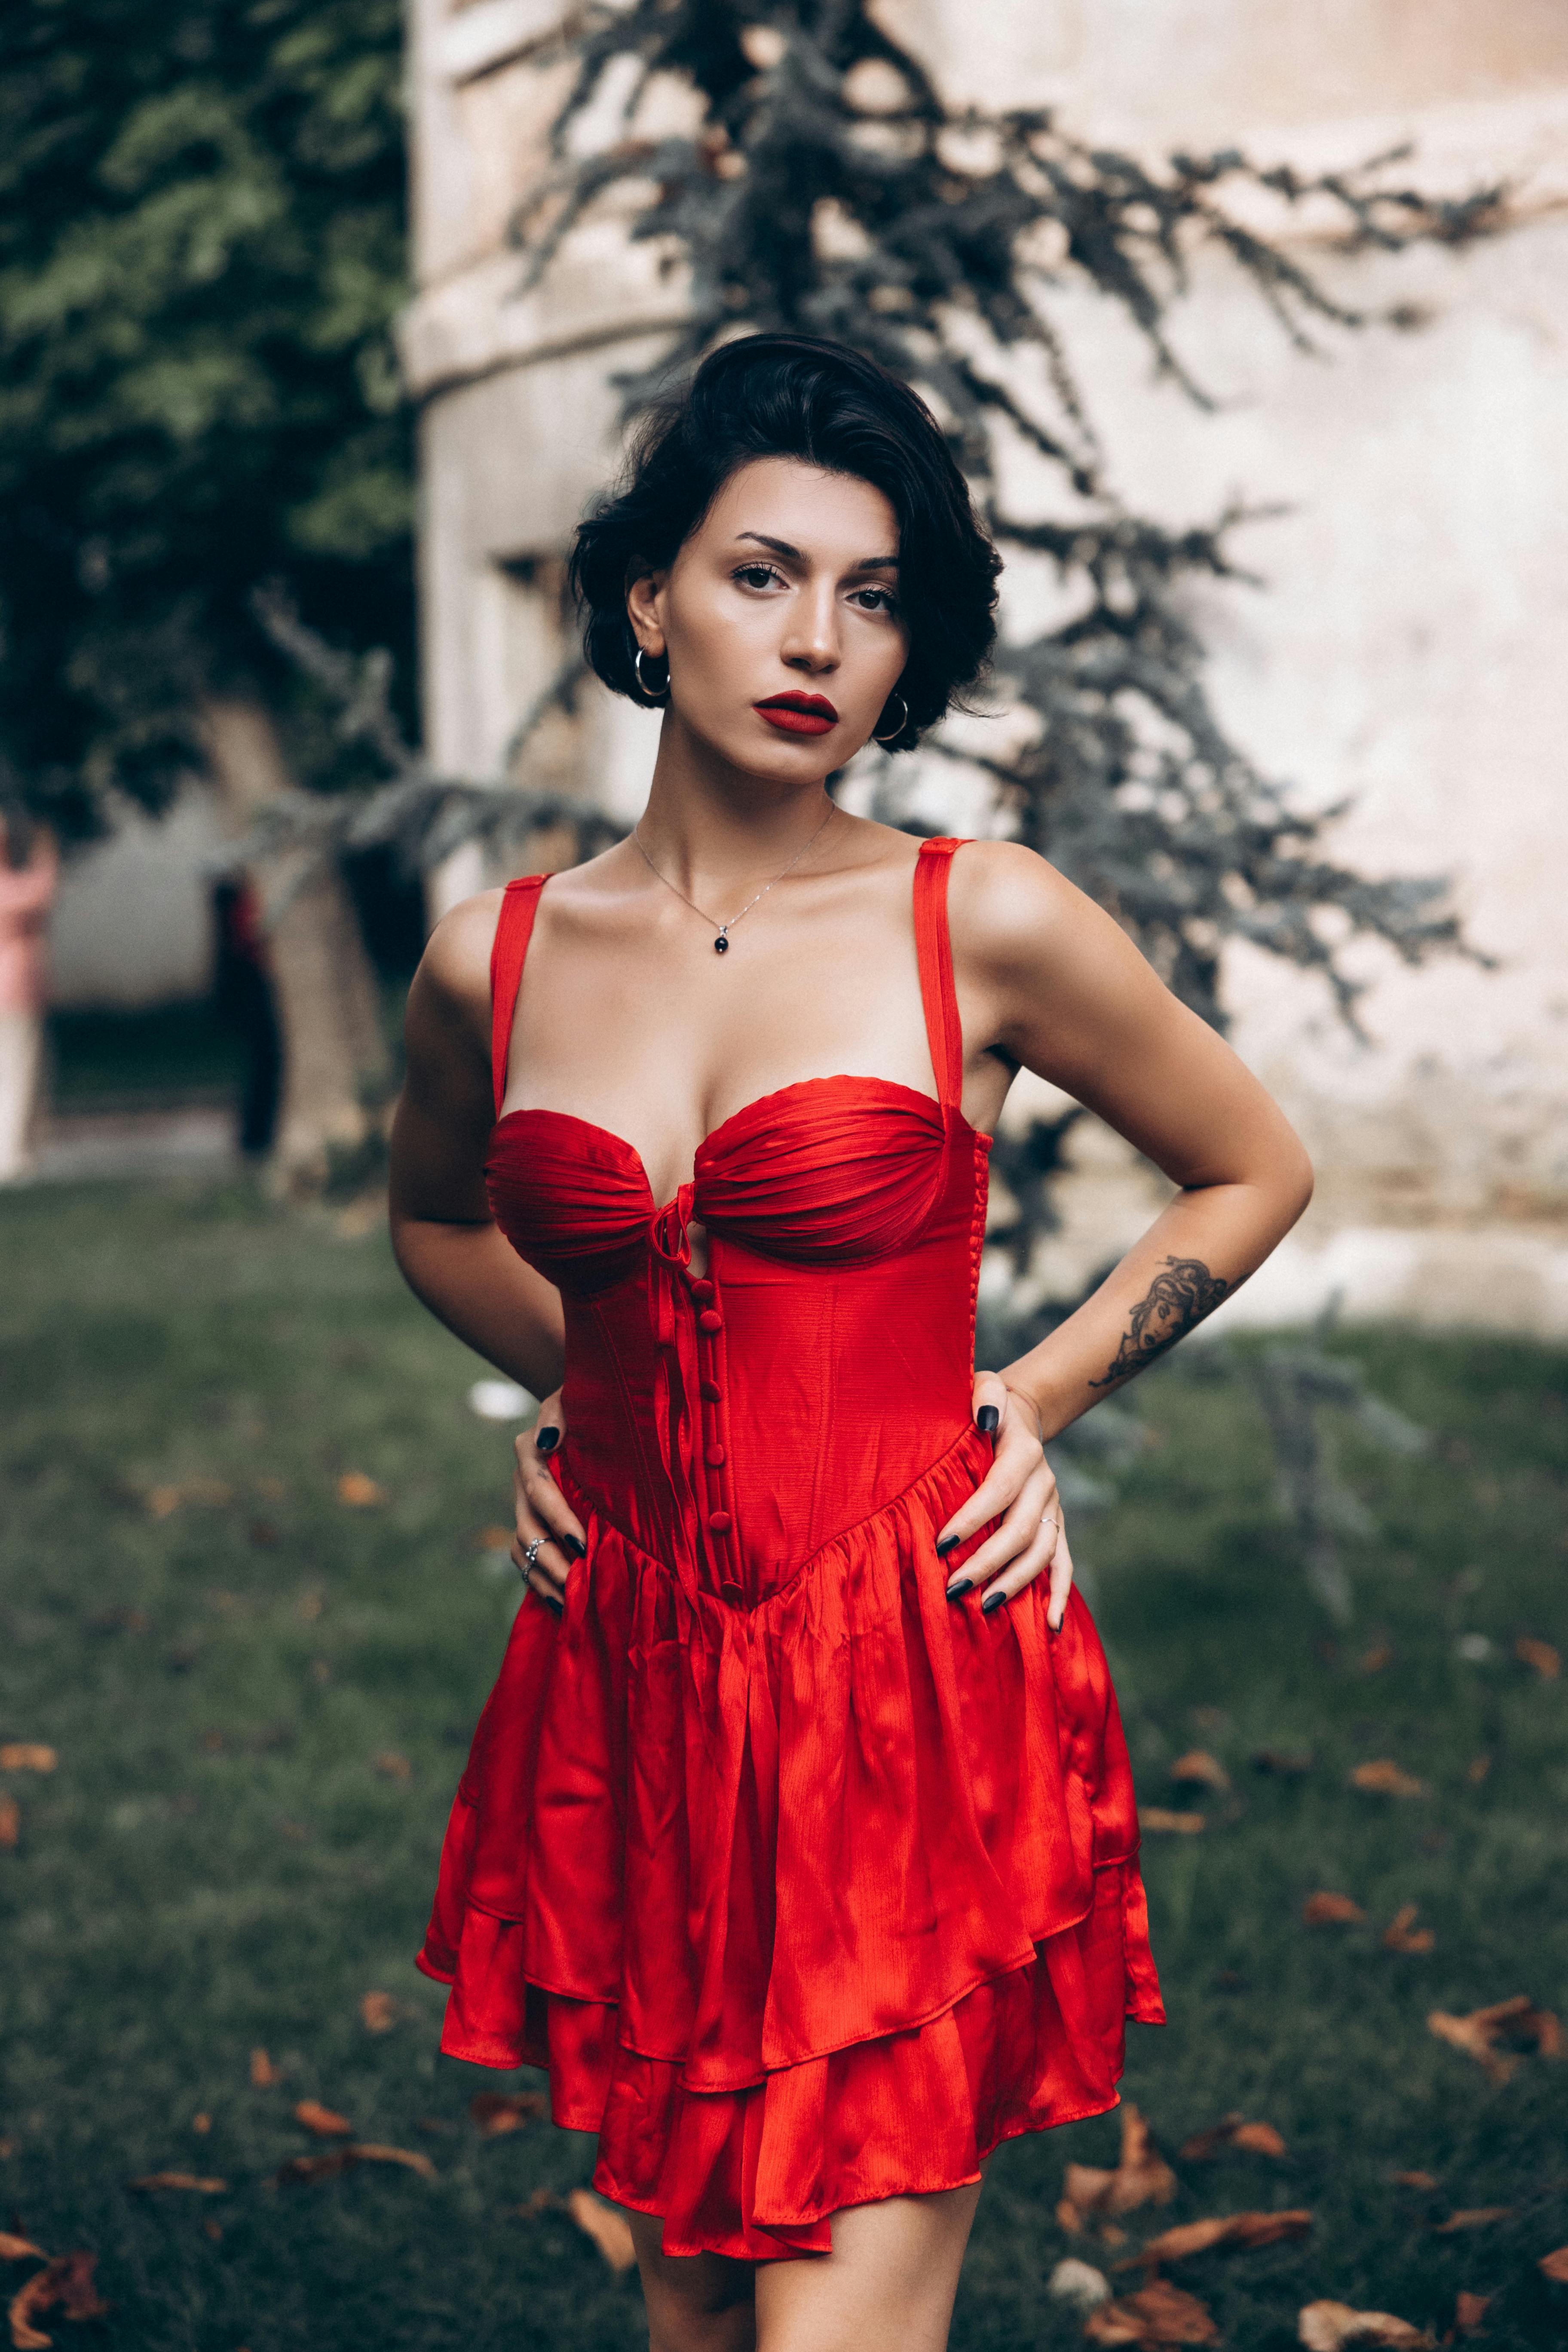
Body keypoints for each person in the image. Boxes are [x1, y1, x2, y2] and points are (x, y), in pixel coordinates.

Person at [389, 334, 1313, 2352]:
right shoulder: (499, 954)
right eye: (759, 571)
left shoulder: (978, 919)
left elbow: (1248, 1167)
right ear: (647, 600)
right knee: (700, 2318)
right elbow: (440, 1217)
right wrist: (580, 1397)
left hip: (900, 1672)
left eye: (874, 594)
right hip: (632, 1681)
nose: (817, 637)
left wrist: (1030, 1396)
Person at [0, 815, 59, 1184]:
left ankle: (25, 1148)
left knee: (24, 1071)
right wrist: (45, 851)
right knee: (19, 1072)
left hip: (17, 991)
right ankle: (12, 1154)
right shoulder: (8, 890)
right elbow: (42, 892)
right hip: (13, 991)